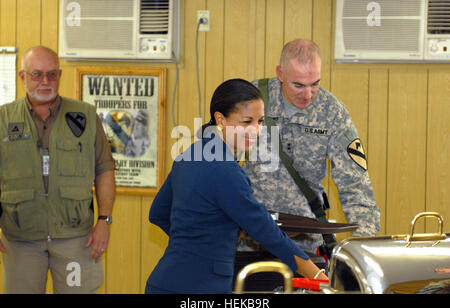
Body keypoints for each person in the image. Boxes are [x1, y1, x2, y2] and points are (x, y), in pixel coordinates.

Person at [145, 79, 327, 294]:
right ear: (220, 119)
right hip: (200, 287)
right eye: (246, 122)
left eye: (260, 121)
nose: (256, 131)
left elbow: (157, 213)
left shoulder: (188, 155)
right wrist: (318, 276)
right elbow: (266, 231)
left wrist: (198, 241)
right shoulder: (226, 170)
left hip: (164, 280)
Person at [241, 39, 380, 255]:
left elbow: (356, 186)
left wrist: (363, 249)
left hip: (305, 247)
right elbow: (220, 165)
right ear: (280, 73)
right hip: (249, 241)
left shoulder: (332, 112)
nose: (308, 95)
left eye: (315, 84)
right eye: (298, 85)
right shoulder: (251, 100)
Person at [0, 46, 116, 293]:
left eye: (52, 74)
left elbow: (104, 168)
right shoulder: (3, 119)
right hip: (21, 239)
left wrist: (104, 220)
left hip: (76, 238)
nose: (45, 81)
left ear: (60, 75)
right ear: (22, 77)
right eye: (37, 74)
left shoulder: (84, 115)